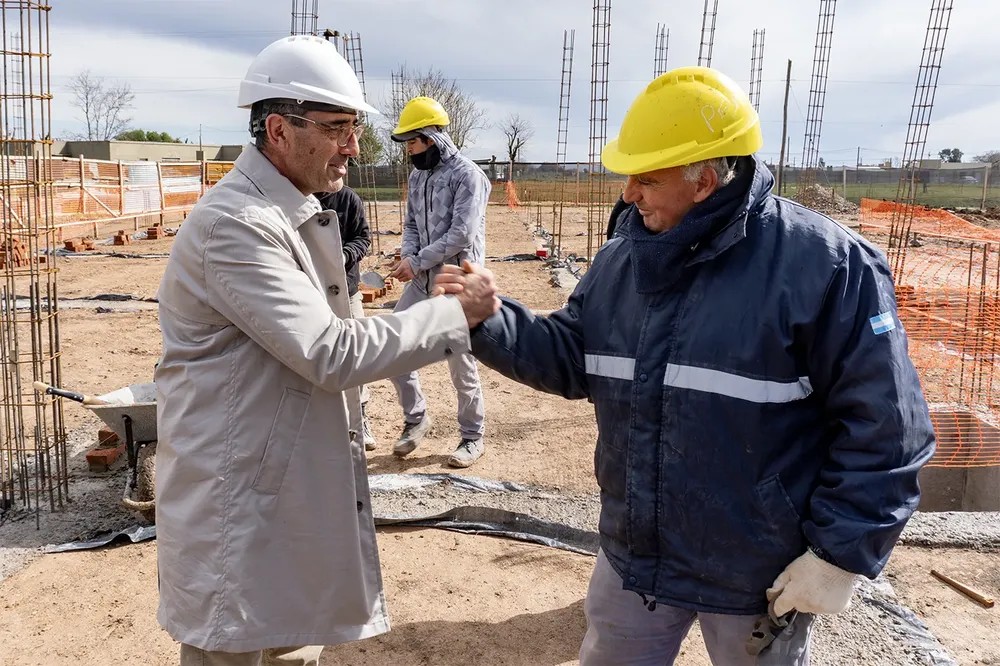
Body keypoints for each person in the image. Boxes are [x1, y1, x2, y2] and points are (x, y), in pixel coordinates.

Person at [434, 66, 936, 665]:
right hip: (635, 558)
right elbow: (574, 356)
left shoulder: (825, 267)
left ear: (704, 181)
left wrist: (839, 554)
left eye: (646, 177)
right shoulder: (624, 257)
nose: (628, 193)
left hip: (759, 575)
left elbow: (887, 428)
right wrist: (486, 321)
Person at [153, 36, 499, 666]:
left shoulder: (292, 213)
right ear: (279, 129)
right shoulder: (236, 225)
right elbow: (332, 351)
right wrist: (453, 313)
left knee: (291, 641)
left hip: (280, 494)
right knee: (233, 646)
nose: (353, 146)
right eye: (338, 128)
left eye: (354, 128)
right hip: (237, 508)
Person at [385, 95, 492, 468]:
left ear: (431, 138)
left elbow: (461, 234)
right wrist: (408, 258)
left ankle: (472, 436)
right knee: (394, 346)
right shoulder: (417, 177)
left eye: (412, 143)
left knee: (459, 361)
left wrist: (417, 260)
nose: (409, 151)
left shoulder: (468, 176)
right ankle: (416, 419)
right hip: (422, 279)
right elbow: (413, 223)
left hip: (456, 281)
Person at [317, 184, 377, 450]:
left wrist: (343, 256)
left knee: (356, 355)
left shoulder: (347, 198)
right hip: (310, 293)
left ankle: (360, 418)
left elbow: (363, 238)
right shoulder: (295, 195)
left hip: (346, 291)